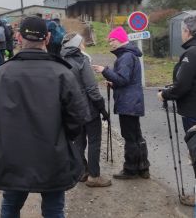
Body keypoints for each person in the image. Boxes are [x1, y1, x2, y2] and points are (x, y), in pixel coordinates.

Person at [0, 16, 88, 217]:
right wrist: (64, 138)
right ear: (48, 38)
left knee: (10, 205)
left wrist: (4, 136)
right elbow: (77, 116)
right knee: (53, 207)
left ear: (17, 37)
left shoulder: (2, 73)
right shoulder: (62, 73)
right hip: (53, 153)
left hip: (14, 152)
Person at [92, 26, 150, 180]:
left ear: (121, 39)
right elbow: (125, 80)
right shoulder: (130, 55)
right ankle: (143, 167)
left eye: (113, 40)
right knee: (137, 135)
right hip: (133, 101)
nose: (110, 43)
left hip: (128, 103)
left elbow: (123, 79)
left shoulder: (125, 57)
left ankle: (130, 169)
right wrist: (112, 83)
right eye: (110, 40)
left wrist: (104, 70)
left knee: (130, 136)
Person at [61, 32, 112, 187]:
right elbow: (92, 89)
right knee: (94, 141)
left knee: (78, 142)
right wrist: (102, 108)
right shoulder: (82, 61)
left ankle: (82, 171)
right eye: (81, 42)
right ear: (77, 45)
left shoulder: (61, 60)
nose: (83, 45)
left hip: (71, 110)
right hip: (88, 109)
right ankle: (94, 176)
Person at [157, 14, 196, 206]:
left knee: (195, 153)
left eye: (182, 30)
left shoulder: (191, 53)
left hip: (193, 111)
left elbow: (183, 86)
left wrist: (165, 94)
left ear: (187, 31)